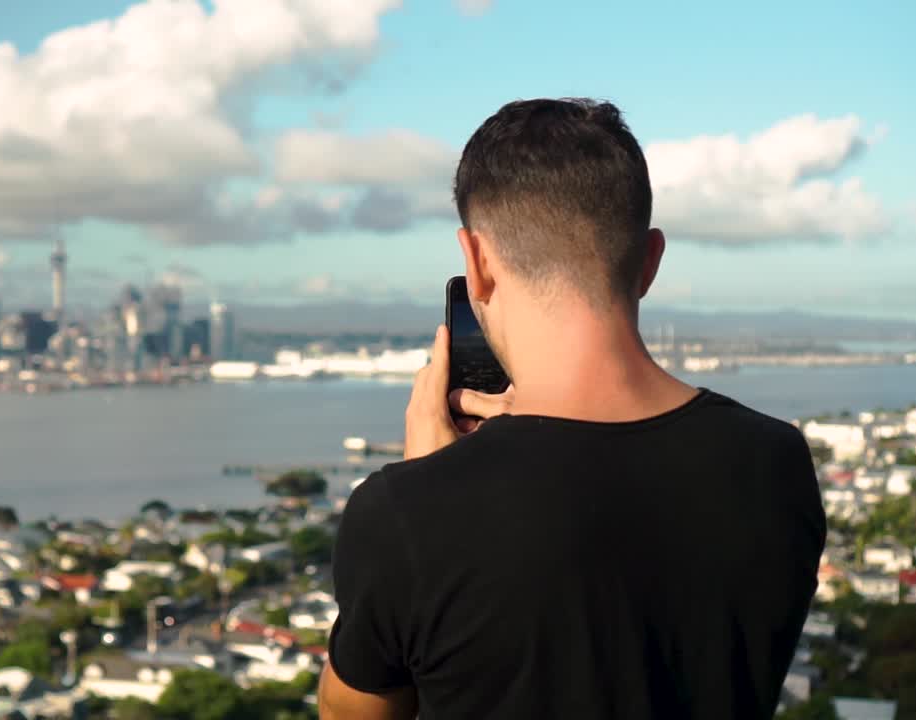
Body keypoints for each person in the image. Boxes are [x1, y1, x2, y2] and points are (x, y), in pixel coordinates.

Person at [318, 99, 825, 719]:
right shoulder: (776, 462)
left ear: (474, 262)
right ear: (650, 260)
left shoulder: (404, 515)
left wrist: (427, 489)